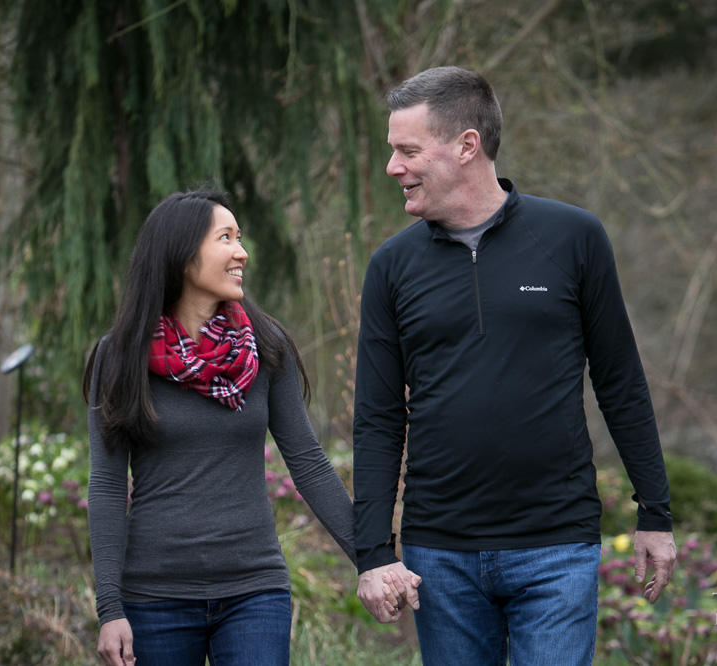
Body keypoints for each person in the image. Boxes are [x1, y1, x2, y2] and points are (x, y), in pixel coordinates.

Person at [353, 66, 677, 665]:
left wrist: (655, 513)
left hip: (556, 546)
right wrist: (373, 551)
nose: (394, 167)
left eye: (407, 151)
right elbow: (376, 417)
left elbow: (621, 385)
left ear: (467, 146)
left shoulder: (574, 237)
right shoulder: (391, 267)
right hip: (439, 556)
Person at [84, 189, 358, 666]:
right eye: (226, 238)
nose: (241, 251)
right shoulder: (119, 356)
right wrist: (110, 608)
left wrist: (371, 557)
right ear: (182, 256)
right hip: (154, 598)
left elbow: (309, 463)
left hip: (255, 590)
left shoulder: (266, 347)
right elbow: (107, 487)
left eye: (240, 237)